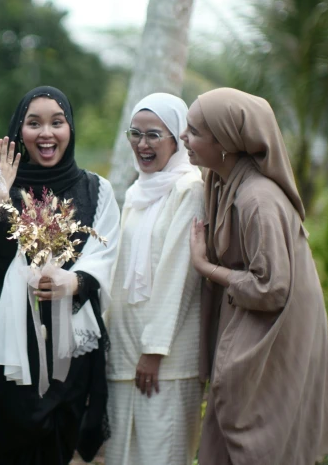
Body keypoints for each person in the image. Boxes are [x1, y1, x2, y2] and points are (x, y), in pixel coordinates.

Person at [183, 87, 328, 465]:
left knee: (263, 440)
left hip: (277, 332)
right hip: (250, 320)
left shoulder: (257, 200)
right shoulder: (220, 183)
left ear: (227, 142)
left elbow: (272, 288)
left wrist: (205, 267)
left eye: (194, 131)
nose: (183, 137)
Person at [0, 86, 120, 465]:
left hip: (71, 347)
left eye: (57, 122)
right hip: (10, 346)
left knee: (59, 445)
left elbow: (106, 253)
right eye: (33, 123)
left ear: (71, 129)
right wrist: (0, 203)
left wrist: (74, 281)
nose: (46, 133)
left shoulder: (96, 189)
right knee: (9, 445)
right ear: (19, 132)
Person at [104, 93, 204, 465]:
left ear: (177, 139)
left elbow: (180, 273)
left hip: (168, 358)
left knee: (163, 451)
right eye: (136, 133)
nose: (142, 144)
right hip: (125, 349)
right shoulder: (136, 192)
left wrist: (154, 350)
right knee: (122, 454)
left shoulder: (189, 189)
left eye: (154, 135)